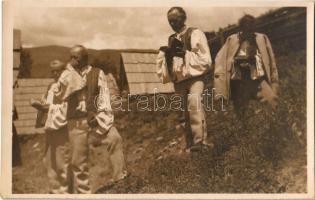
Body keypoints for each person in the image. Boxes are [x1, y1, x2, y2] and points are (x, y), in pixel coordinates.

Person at [156, 7, 212, 152]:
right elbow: (171, 65)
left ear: (183, 18)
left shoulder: (195, 33)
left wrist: (185, 54)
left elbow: (205, 59)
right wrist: (167, 55)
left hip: (194, 78)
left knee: (195, 104)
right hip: (180, 81)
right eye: (170, 21)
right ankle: (190, 143)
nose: (172, 24)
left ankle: (201, 141)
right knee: (184, 112)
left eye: (175, 20)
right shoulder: (171, 39)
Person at [214, 14, 279, 123]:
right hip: (239, 81)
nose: (248, 32)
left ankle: (275, 126)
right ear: (241, 28)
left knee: (271, 100)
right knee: (241, 112)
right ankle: (245, 133)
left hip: (257, 78)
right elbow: (220, 61)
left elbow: (271, 60)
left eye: (251, 29)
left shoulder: (261, 38)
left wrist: (274, 82)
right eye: (246, 29)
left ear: (254, 28)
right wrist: (220, 90)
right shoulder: (232, 40)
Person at [30, 60, 70, 194]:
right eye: (53, 71)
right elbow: (47, 103)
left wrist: (43, 106)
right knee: (49, 159)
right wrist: (41, 103)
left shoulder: (67, 87)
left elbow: (65, 108)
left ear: (64, 71)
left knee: (61, 160)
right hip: (50, 127)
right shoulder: (51, 86)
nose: (55, 73)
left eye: (58, 70)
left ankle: (65, 190)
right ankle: (55, 189)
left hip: (61, 127)